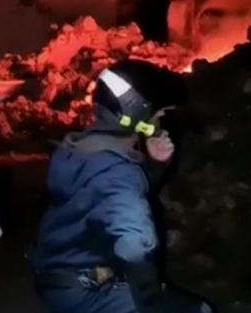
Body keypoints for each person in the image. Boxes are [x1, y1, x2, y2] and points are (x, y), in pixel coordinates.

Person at [28, 59, 214, 313]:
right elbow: (135, 245)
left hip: (57, 278)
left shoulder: (78, 148)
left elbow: (106, 201)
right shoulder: (117, 172)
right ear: (137, 114)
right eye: (158, 114)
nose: (160, 122)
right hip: (88, 291)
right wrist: (150, 300)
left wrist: (154, 166)